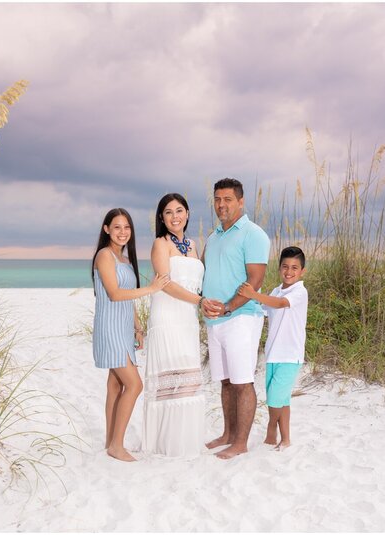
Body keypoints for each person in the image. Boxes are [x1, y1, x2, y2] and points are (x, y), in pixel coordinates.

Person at [91, 208, 169, 462]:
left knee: (115, 385)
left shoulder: (123, 259)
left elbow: (128, 299)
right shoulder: (104, 256)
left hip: (124, 327)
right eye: (117, 227)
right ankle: (116, 445)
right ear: (106, 230)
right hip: (110, 328)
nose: (123, 232)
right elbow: (114, 294)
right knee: (135, 385)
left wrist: (137, 327)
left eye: (127, 228)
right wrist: (151, 288)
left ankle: (110, 441)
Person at [200, 178, 270, 459]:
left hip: (241, 318)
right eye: (217, 199)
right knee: (226, 382)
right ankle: (228, 434)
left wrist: (228, 306)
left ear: (241, 202)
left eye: (228, 199)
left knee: (242, 382)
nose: (221, 205)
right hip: (215, 320)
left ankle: (240, 443)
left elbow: (255, 280)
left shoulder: (254, 234)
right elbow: (203, 273)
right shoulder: (214, 236)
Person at [142, 193, 206, 457]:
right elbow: (165, 283)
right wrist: (200, 301)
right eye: (168, 212)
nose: (175, 216)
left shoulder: (193, 244)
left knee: (187, 378)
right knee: (170, 377)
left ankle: (186, 441)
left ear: (188, 214)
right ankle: (166, 444)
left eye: (179, 210)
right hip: (167, 315)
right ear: (161, 217)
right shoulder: (160, 243)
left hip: (188, 317)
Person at [238, 246, 308, 450]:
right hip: (273, 353)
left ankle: (271, 428)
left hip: (290, 354)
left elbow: (279, 304)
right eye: (285, 266)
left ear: (302, 271)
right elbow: (264, 309)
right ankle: (285, 439)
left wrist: (253, 294)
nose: (289, 271)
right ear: (279, 268)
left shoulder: (299, 291)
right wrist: (243, 302)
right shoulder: (277, 290)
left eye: (295, 268)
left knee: (275, 399)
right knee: (281, 399)